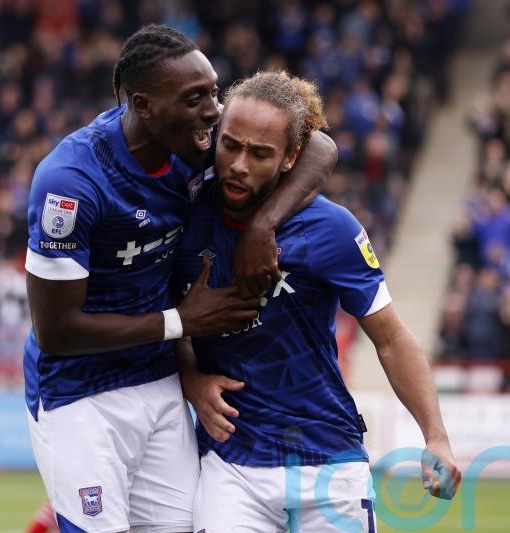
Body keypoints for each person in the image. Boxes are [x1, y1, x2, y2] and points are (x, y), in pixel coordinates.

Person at [24, 25, 336, 533]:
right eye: (196, 99)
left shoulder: (196, 143)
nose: (213, 111)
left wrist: (263, 224)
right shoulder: (71, 184)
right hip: (78, 392)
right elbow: (56, 331)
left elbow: (319, 145)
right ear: (144, 106)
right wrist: (180, 322)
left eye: (213, 92)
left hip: (158, 380)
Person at [172, 71, 461, 532]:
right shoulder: (183, 220)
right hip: (231, 464)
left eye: (260, 154)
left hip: (328, 461)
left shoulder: (332, 229)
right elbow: (167, 321)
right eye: (231, 146)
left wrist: (436, 436)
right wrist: (191, 379)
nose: (239, 165)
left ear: (291, 158)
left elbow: (390, 338)